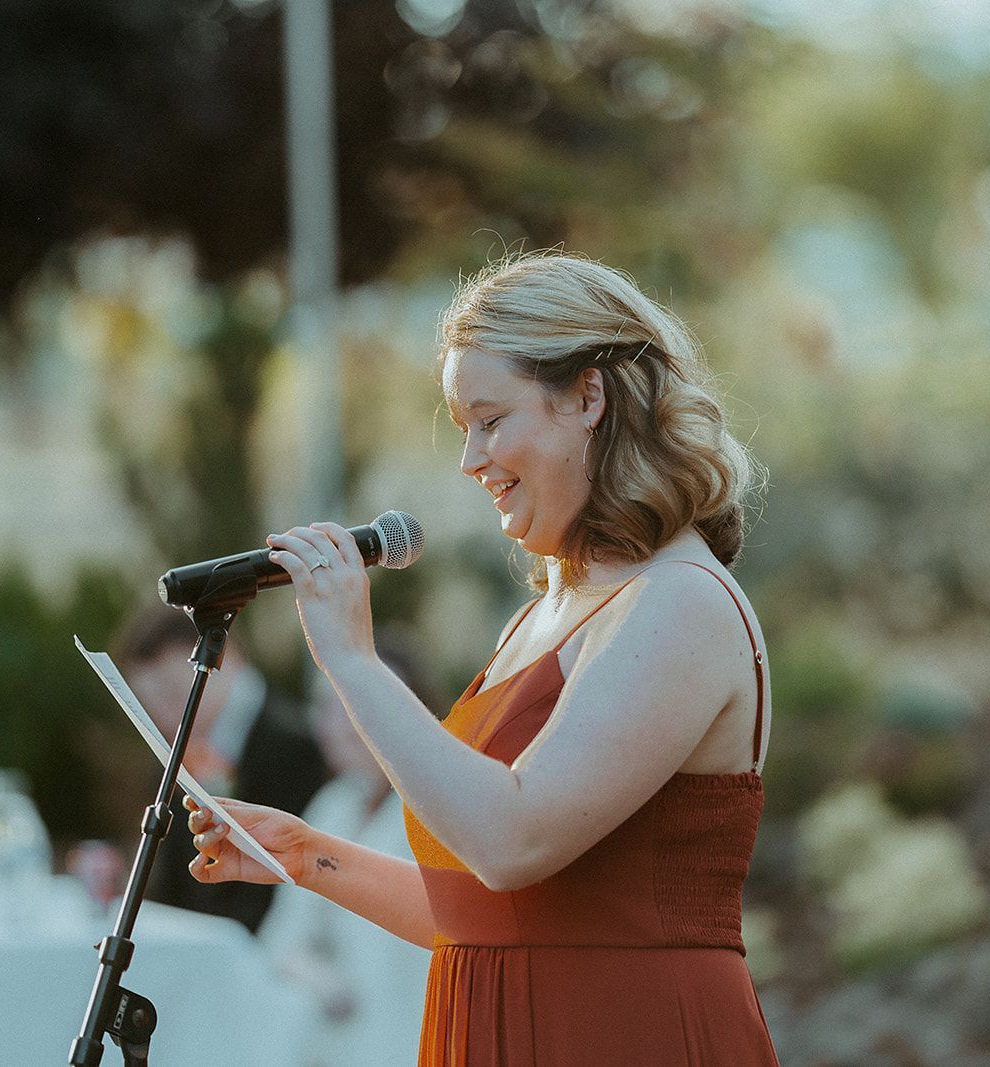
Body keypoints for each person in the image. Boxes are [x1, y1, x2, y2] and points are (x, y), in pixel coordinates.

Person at [186, 252, 781, 1065]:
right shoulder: (544, 614)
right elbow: (492, 914)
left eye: (492, 419)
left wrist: (353, 660)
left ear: (588, 397)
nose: (470, 459)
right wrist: (308, 856)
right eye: (464, 426)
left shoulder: (682, 601)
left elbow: (511, 840)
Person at [257, 637, 437, 1066]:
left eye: (355, 703)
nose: (343, 722)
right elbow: (282, 936)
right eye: (328, 706)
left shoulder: (436, 811)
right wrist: (314, 976)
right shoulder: (333, 805)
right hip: (336, 1037)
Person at [116, 602, 330, 930]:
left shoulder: (292, 746)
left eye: (173, 694)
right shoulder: (179, 744)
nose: (164, 716)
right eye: (150, 703)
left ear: (223, 658)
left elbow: (289, 879)